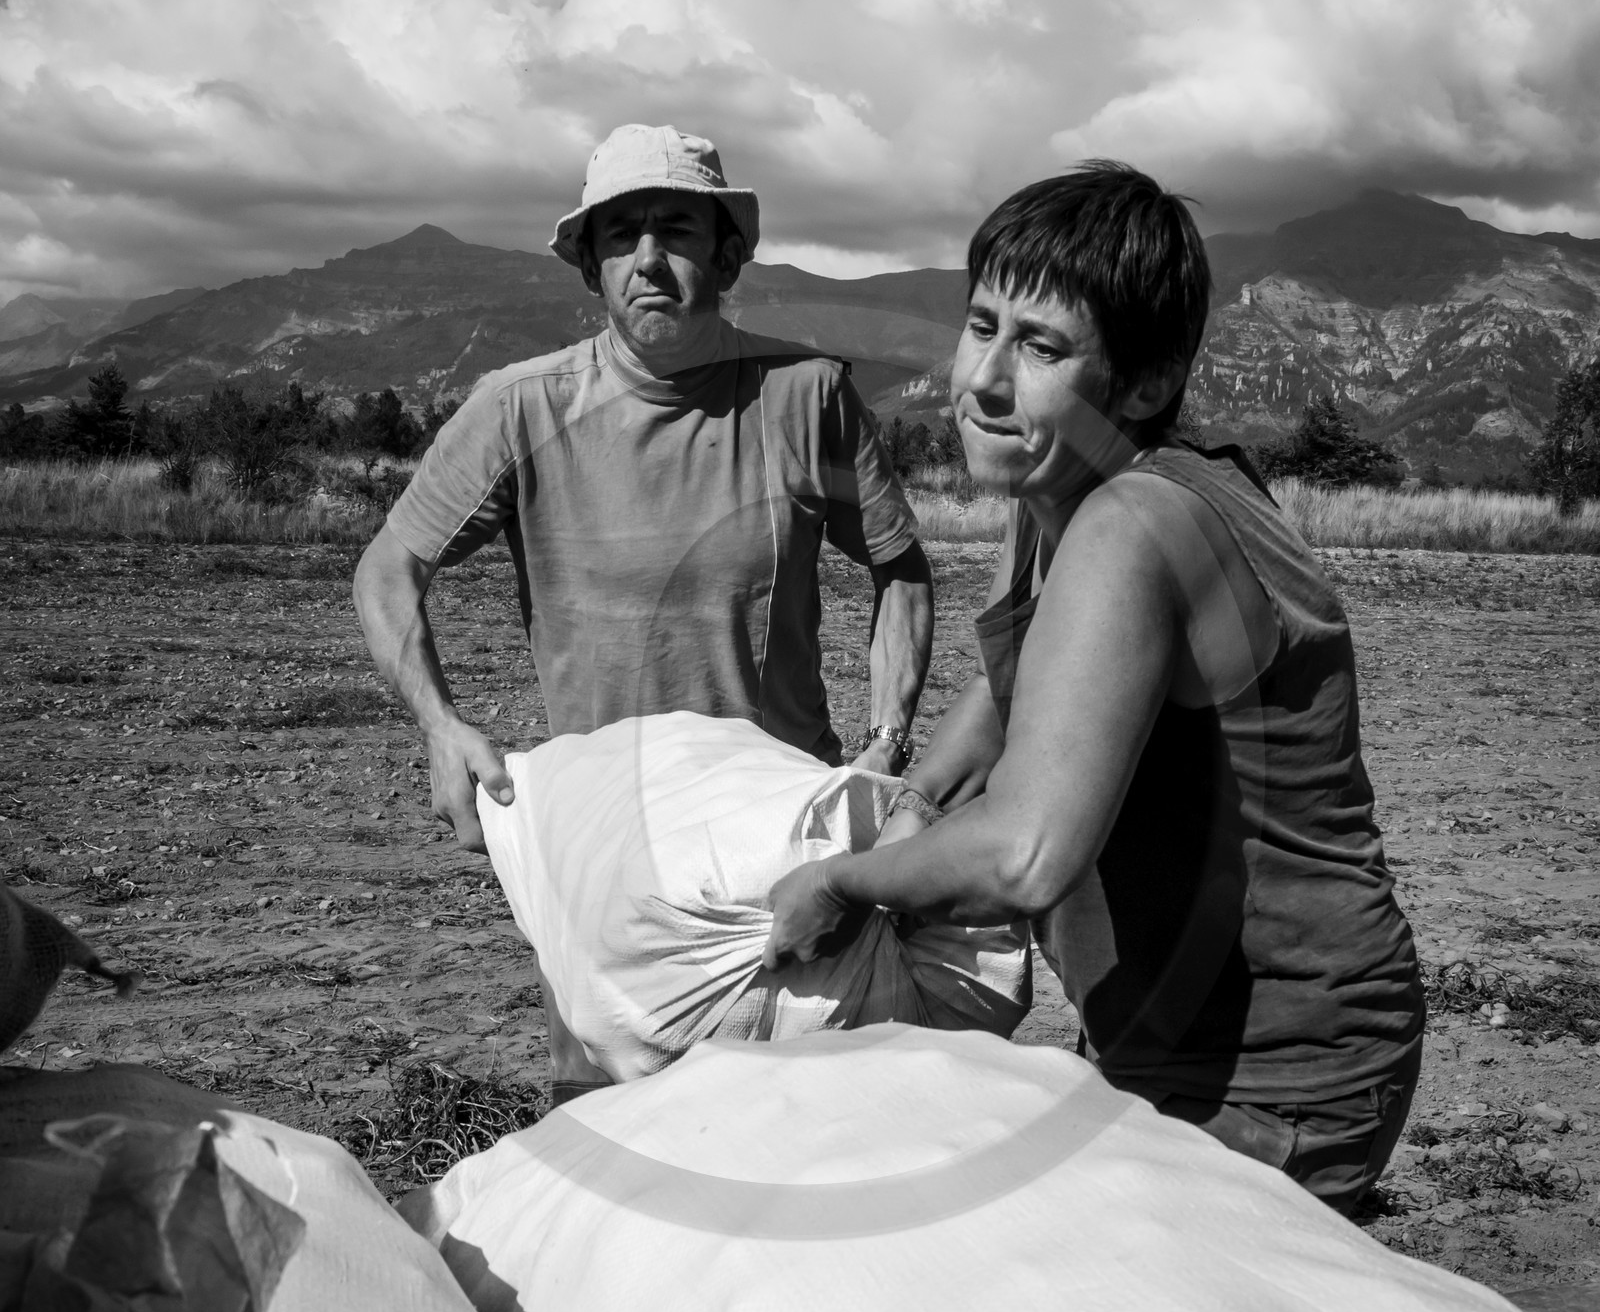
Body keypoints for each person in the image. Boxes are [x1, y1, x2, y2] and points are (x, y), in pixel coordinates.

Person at [764, 162, 1425, 1214]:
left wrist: (846, 883)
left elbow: (1029, 853)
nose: (982, 378)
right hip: (1180, 1024)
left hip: (1273, 1058)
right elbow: (1017, 676)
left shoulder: (1131, 523)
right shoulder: (1061, 490)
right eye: (981, 323)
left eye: (1040, 347)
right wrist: (921, 793)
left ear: (1148, 381)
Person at [355, 123, 933, 1103]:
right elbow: (389, 565)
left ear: (728, 252)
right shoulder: (521, 409)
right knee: (614, 1141)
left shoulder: (807, 396)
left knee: (804, 1130)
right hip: (607, 848)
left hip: (779, 847)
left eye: (675, 229)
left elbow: (901, 569)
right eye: (620, 237)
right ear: (590, 265)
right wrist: (440, 726)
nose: (649, 260)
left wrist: (886, 734)